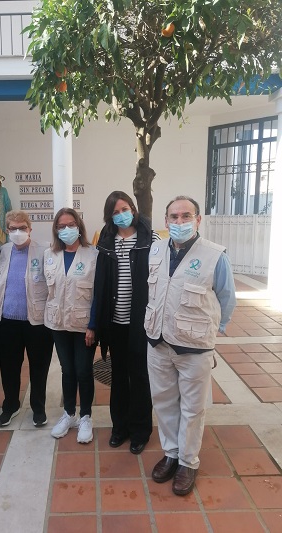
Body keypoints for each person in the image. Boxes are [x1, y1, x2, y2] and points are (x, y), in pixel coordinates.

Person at [145, 195, 236, 495]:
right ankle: (171, 453)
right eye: (174, 217)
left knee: (193, 408)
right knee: (164, 402)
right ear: (166, 220)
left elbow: (227, 298)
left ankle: (188, 461)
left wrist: (212, 332)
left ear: (198, 219)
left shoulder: (215, 255)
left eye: (186, 216)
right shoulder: (156, 249)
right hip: (158, 342)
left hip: (194, 347)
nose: (179, 222)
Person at [91, 191, 160, 455]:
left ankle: (140, 430)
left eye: (124, 209)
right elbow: (100, 284)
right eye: (115, 212)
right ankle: (119, 427)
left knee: (140, 377)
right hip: (115, 323)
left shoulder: (150, 239)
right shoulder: (106, 241)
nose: (121, 215)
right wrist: (97, 323)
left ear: (133, 208)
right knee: (118, 376)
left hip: (140, 323)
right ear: (109, 216)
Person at [0, 210, 54, 428]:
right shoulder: (3, 251)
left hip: (36, 321)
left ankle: (38, 408)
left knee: (39, 366)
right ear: (7, 230)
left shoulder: (44, 250)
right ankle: (10, 405)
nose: (17, 232)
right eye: (13, 228)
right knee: (9, 367)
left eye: (22, 228)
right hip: (7, 321)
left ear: (30, 229)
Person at [44, 208, 98, 444]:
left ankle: (85, 416)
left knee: (83, 371)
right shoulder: (50, 254)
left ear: (79, 226)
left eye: (71, 225)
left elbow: (98, 294)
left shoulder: (93, 255)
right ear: (56, 229)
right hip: (58, 323)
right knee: (67, 371)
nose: (66, 229)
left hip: (84, 324)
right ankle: (69, 414)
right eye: (61, 226)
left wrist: (93, 325)